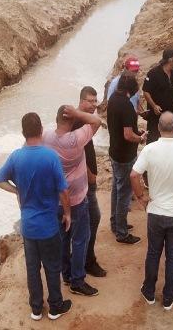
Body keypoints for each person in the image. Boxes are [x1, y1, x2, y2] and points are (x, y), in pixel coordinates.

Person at [0, 113, 73, 321]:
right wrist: (67, 213)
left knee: (32, 269)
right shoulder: (50, 157)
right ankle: (55, 306)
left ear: (23, 132)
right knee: (52, 267)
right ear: (40, 131)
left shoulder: (16, 156)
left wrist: (17, 190)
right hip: (48, 226)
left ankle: (36, 308)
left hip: (28, 227)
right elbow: (63, 191)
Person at [130, 112, 173, 311]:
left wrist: (141, 197)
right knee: (172, 256)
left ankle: (149, 292)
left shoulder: (150, 149)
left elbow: (134, 175)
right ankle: (168, 297)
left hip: (156, 211)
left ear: (159, 128)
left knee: (153, 253)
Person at [44, 104, 102, 297]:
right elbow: (97, 121)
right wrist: (78, 113)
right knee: (80, 239)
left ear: (56, 120)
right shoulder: (75, 140)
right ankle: (77, 281)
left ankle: (66, 274)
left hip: (56, 199)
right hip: (76, 199)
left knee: (63, 237)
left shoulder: (47, 138)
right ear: (72, 121)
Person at [70, 87, 107, 277]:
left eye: (96, 101)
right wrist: (90, 175)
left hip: (82, 183)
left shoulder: (80, 120)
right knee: (91, 221)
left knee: (83, 223)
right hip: (84, 184)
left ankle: (78, 260)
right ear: (81, 101)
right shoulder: (78, 122)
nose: (94, 105)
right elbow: (75, 154)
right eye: (90, 101)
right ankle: (87, 261)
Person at [106, 72, 147, 244]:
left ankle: (116, 223)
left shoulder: (113, 100)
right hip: (125, 155)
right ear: (131, 89)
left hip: (115, 151)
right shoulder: (126, 106)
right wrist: (141, 138)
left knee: (117, 189)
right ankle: (122, 233)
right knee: (124, 194)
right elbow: (128, 135)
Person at [142, 48, 173, 144]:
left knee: (169, 141)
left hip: (171, 117)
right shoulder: (153, 73)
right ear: (171, 60)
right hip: (155, 117)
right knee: (153, 141)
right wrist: (154, 106)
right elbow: (146, 91)